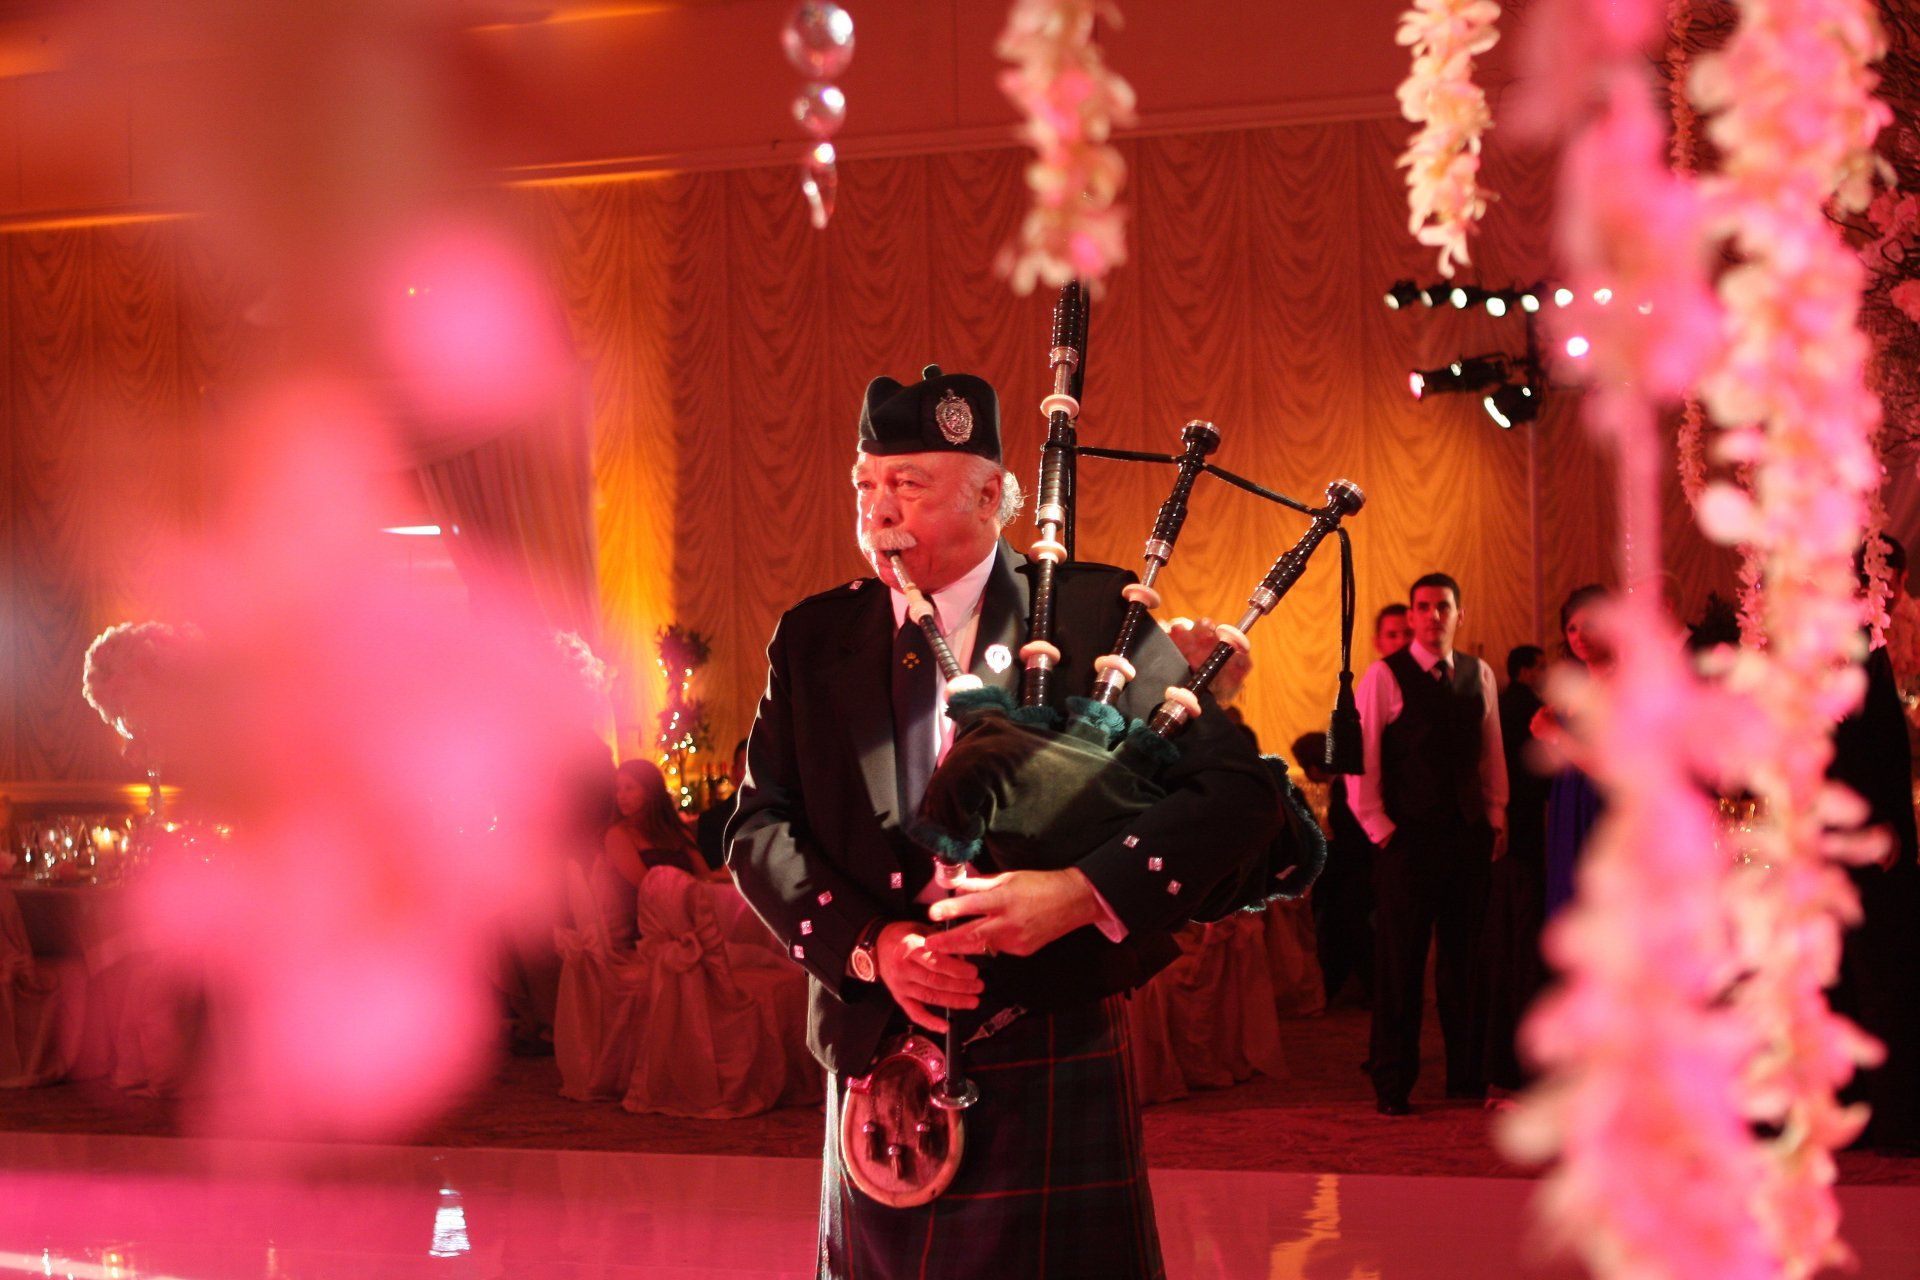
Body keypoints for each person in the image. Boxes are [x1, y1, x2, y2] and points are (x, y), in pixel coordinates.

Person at [727, 363, 1279, 1280]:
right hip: (876, 1053)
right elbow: (758, 828)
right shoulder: (814, 637)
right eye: (865, 484)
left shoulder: (1099, 614)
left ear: (990, 495)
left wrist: (1082, 893)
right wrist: (870, 944)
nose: (879, 511)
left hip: (1047, 1036)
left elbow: (1238, 796)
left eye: (909, 483)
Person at [1346, 572, 1507, 1114]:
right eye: (1424, 607)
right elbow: (1363, 760)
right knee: (1401, 965)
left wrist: (1495, 814)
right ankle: (1393, 1082)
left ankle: (1466, 1076)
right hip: (1407, 841)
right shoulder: (1384, 676)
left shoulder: (1479, 673)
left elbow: (1490, 751)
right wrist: (1380, 828)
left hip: (1466, 836)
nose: (1434, 616)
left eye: (1443, 606)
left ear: (1459, 614)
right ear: (1412, 616)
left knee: (1465, 964)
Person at [1830, 537, 1920, 1151]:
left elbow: (1886, 744)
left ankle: (1892, 1112)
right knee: (1859, 970)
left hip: (1883, 829)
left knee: (1885, 968)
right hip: (1853, 833)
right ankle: (1871, 1111)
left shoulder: (1887, 640)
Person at [1476, 644, 1550, 1094]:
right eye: (1540, 666)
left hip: (1507, 830)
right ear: (1525, 670)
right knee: (1524, 935)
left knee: (1507, 936)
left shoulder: (1503, 705)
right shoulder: (1529, 709)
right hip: (1529, 830)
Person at [1536, 586, 1611, 922]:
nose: (1580, 636)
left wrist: (1554, 734)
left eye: (1590, 625)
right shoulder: (1577, 686)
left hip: (1601, 805)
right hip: (1569, 799)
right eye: (1572, 628)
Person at [596, 759, 713, 948]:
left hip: (690, 917)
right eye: (618, 789)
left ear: (650, 791)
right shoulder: (618, 835)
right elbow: (648, 888)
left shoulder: (676, 831)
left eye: (629, 788)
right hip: (646, 928)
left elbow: (704, 876)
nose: (621, 796)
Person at [1294, 730, 1373, 1007]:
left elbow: (1350, 838)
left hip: (1356, 871)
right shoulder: (1349, 782)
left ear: (1314, 766)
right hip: (1360, 868)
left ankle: (1343, 988)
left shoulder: (1343, 788)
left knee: (1349, 929)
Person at [696, 738, 749, 872]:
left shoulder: (785, 814)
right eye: (745, 767)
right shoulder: (711, 822)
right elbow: (711, 876)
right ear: (734, 773)